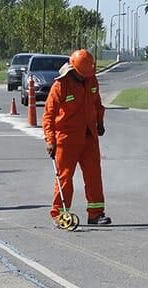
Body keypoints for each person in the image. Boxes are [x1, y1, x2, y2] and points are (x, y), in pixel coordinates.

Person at [43, 49, 110, 226]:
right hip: (67, 138)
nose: (85, 78)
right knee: (64, 177)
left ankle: (96, 214)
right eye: (82, 75)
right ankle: (60, 215)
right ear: (74, 70)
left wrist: (100, 122)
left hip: (89, 136)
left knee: (94, 175)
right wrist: (50, 140)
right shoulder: (61, 85)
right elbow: (49, 115)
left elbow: (97, 104)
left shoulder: (91, 80)